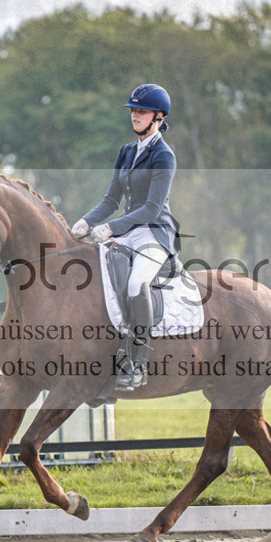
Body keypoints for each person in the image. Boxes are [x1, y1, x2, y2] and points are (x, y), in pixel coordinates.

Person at [72, 83, 181, 390]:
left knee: (135, 284)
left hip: (155, 234)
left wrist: (112, 228)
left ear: (158, 117)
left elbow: (151, 208)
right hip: (128, 231)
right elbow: (110, 201)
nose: (135, 115)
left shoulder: (164, 156)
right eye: (133, 110)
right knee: (98, 277)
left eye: (141, 111)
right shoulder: (126, 151)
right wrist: (84, 222)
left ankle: (137, 365)